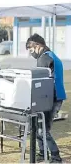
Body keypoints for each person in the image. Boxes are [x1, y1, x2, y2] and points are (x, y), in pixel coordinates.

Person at [26, 33, 66, 163]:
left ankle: (55, 157)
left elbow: (39, 81)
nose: (31, 53)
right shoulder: (52, 55)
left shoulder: (44, 59)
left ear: (38, 46)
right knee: (39, 127)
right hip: (56, 96)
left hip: (50, 98)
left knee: (43, 129)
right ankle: (42, 153)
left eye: (31, 50)